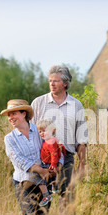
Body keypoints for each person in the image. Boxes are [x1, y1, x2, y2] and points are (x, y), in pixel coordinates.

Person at [31, 65, 88, 205]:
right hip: (42, 158)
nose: (52, 84)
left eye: (55, 81)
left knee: (68, 200)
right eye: (50, 80)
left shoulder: (76, 105)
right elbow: (31, 133)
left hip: (67, 157)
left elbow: (82, 138)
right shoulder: (38, 103)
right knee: (41, 202)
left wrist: (82, 164)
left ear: (65, 83)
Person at [1, 99, 62, 215]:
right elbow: (17, 159)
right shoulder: (9, 138)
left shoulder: (40, 130)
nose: (11, 118)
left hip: (45, 181)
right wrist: (39, 170)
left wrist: (58, 164)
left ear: (24, 114)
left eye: (14, 113)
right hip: (24, 183)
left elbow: (55, 146)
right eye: (9, 115)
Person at [36, 119, 66, 207]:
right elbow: (62, 148)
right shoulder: (52, 139)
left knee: (42, 179)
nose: (41, 133)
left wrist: (53, 164)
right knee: (51, 178)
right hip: (48, 162)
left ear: (52, 130)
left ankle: (47, 196)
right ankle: (55, 187)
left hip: (49, 163)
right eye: (40, 131)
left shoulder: (51, 142)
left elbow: (54, 154)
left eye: (44, 131)